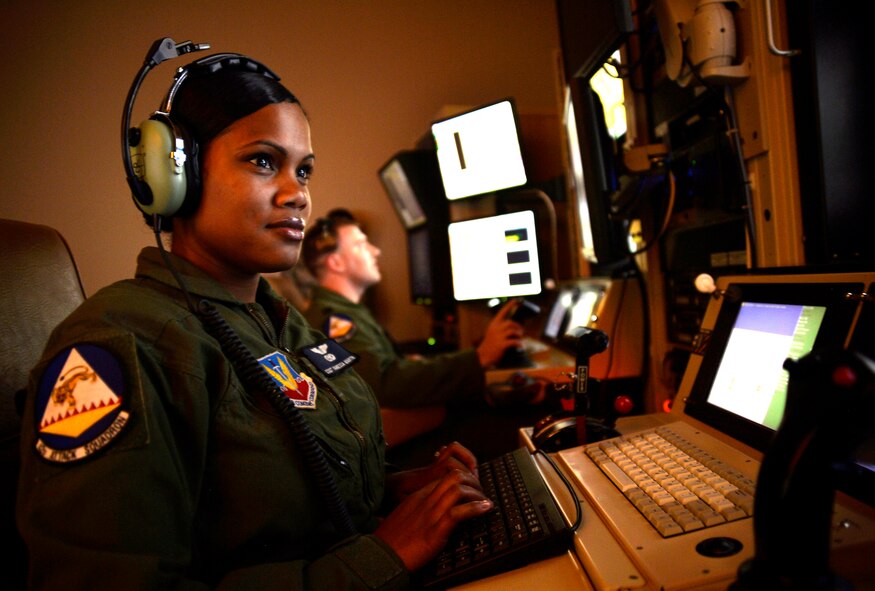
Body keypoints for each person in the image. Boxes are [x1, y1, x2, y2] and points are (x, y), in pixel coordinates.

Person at [16, 43, 493, 590]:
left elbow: (274, 505)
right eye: (263, 161)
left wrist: (394, 492)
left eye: (305, 170)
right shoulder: (119, 345)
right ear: (179, 177)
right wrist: (381, 555)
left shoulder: (280, 322)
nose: (298, 195)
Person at [298, 209, 547, 463]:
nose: (375, 251)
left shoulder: (342, 311)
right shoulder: (335, 320)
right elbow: (385, 384)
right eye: (361, 245)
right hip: (397, 454)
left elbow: (381, 370)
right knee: (526, 423)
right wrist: (480, 357)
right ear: (336, 262)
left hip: (401, 433)